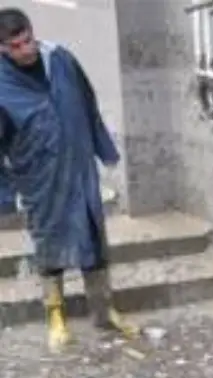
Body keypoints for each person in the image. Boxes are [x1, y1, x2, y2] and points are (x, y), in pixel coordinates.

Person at [0, 8, 138, 352]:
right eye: (16, 46)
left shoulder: (60, 59)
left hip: (79, 166)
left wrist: (103, 148)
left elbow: (87, 101)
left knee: (93, 236)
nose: (27, 49)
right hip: (39, 174)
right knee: (50, 242)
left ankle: (104, 312)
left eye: (28, 39)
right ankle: (56, 315)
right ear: (3, 49)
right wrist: (6, 192)